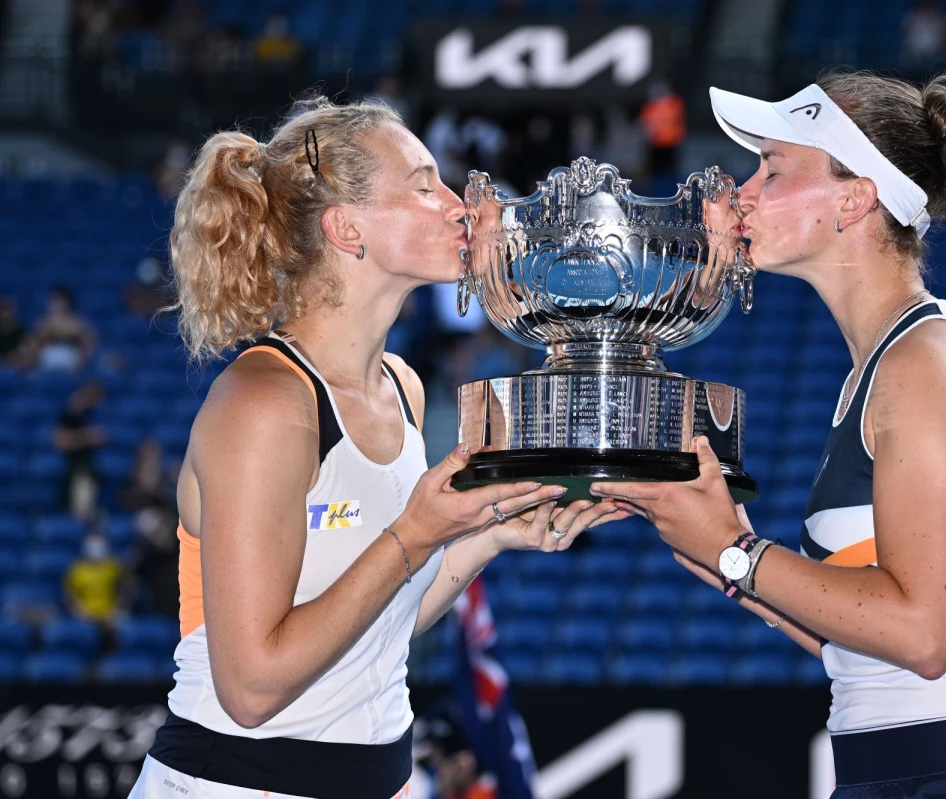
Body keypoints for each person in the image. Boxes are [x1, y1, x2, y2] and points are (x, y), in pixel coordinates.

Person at [593, 71, 946, 797]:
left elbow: (924, 635)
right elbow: (865, 646)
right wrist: (721, 556)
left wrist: (737, 554)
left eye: (773, 168)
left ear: (855, 198)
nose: (744, 190)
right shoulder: (885, 364)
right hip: (904, 770)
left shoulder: (929, 361)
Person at [127, 95, 626, 799]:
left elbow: (376, 622)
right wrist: (413, 532)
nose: (457, 204)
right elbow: (253, 686)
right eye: (425, 186)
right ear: (346, 229)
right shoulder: (264, 404)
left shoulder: (402, 385)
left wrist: (485, 537)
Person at [54, 381, 107, 518]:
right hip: (73, 468)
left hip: (88, 467)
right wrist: (86, 437)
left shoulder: (92, 415)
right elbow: (61, 442)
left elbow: (102, 437)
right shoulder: (68, 415)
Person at [28, 285, 96, 372]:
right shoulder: (43, 323)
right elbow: (34, 343)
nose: (58, 305)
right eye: (55, 302)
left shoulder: (78, 323)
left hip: (71, 361)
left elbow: (90, 342)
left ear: (67, 303)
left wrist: (83, 358)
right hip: (47, 361)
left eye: (61, 302)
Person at [64, 529, 124, 625]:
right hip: (85, 616)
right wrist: (78, 612)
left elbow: (126, 588)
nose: (96, 547)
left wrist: (119, 609)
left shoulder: (114, 566)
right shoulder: (77, 569)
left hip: (110, 615)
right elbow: (69, 595)